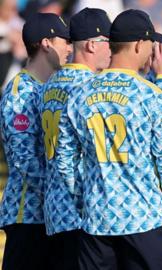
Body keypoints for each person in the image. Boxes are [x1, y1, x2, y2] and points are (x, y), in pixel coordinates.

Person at [55, 9, 162, 270]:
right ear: (138, 44)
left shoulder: (79, 94)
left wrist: (84, 201)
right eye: (149, 45)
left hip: (97, 220)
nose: (151, 52)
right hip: (145, 219)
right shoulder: (153, 95)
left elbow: (65, 161)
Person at [39, 8, 111, 270]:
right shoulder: (93, 88)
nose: (112, 50)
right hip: (86, 213)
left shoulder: (49, 84)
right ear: (92, 44)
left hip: (54, 211)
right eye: (109, 42)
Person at [0, 13, 71, 270]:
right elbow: (23, 159)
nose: (70, 48)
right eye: (65, 40)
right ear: (46, 43)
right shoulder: (21, 91)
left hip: (51, 216)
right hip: (27, 216)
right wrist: (62, 192)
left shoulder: (51, 86)